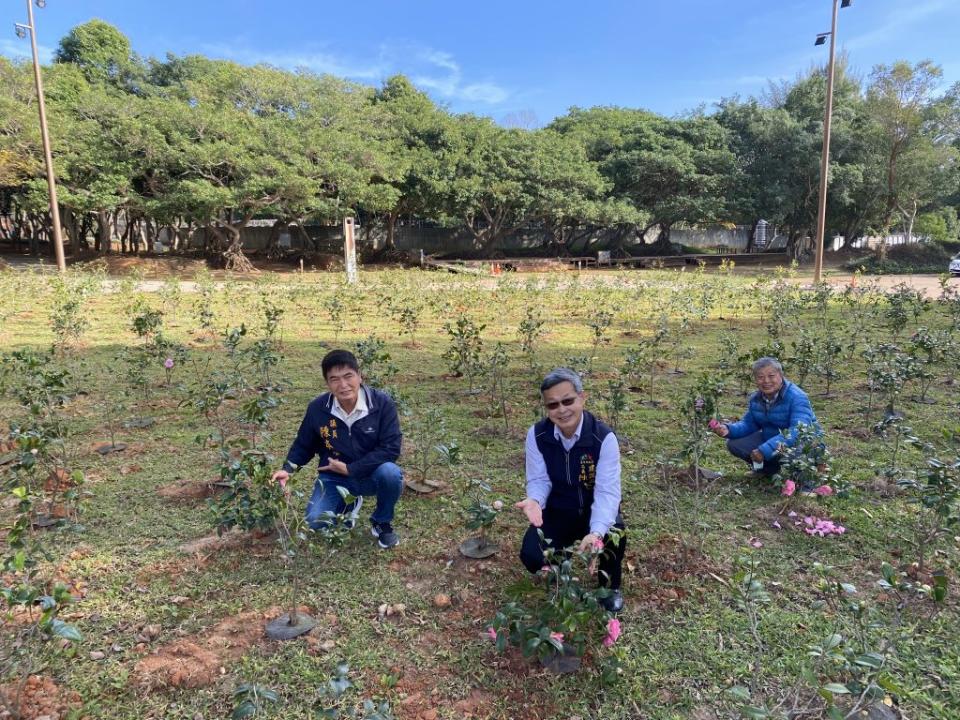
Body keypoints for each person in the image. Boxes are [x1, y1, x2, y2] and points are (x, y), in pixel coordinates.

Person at [516, 368, 626, 613]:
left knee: (615, 533)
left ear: (582, 398)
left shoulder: (603, 438)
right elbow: (539, 479)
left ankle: (609, 587)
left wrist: (596, 532)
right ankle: (559, 568)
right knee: (532, 555)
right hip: (559, 509)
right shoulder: (537, 435)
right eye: (553, 405)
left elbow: (607, 493)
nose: (562, 410)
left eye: (568, 401)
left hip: (591, 510)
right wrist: (534, 499)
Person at [272, 349, 403, 549]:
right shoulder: (318, 408)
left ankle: (381, 522)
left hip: (371, 474)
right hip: (334, 476)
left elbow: (391, 448)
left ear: (360, 376)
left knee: (391, 474)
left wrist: (352, 469)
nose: (343, 385)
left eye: (348, 376)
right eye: (334, 379)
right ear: (327, 383)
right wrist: (288, 469)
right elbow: (304, 444)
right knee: (315, 521)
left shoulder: (381, 403)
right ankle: (349, 504)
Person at [711, 357, 819, 481]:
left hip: (802, 442)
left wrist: (765, 450)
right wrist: (729, 429)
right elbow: (749, 423)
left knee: (800, 448)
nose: (766, 381)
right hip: (772, 440)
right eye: (760, 377)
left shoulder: (797, 397)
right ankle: (768, 470)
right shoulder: (756, 398)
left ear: (781, 375)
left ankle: (807, 481)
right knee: (735, 443)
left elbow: (798, 431)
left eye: (771, 376)